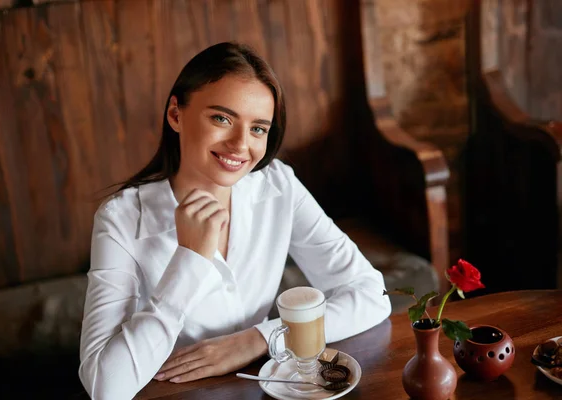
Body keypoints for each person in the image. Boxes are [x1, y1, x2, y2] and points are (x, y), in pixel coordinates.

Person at [79, 42, 391, 399]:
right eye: (222, 118)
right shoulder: (120, 219)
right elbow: (105, 387)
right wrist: (190, 259)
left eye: (258, 128)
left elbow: (372, 295)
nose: (240, 145)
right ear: (175, 114)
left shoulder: (278, 185)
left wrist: (258, 339)